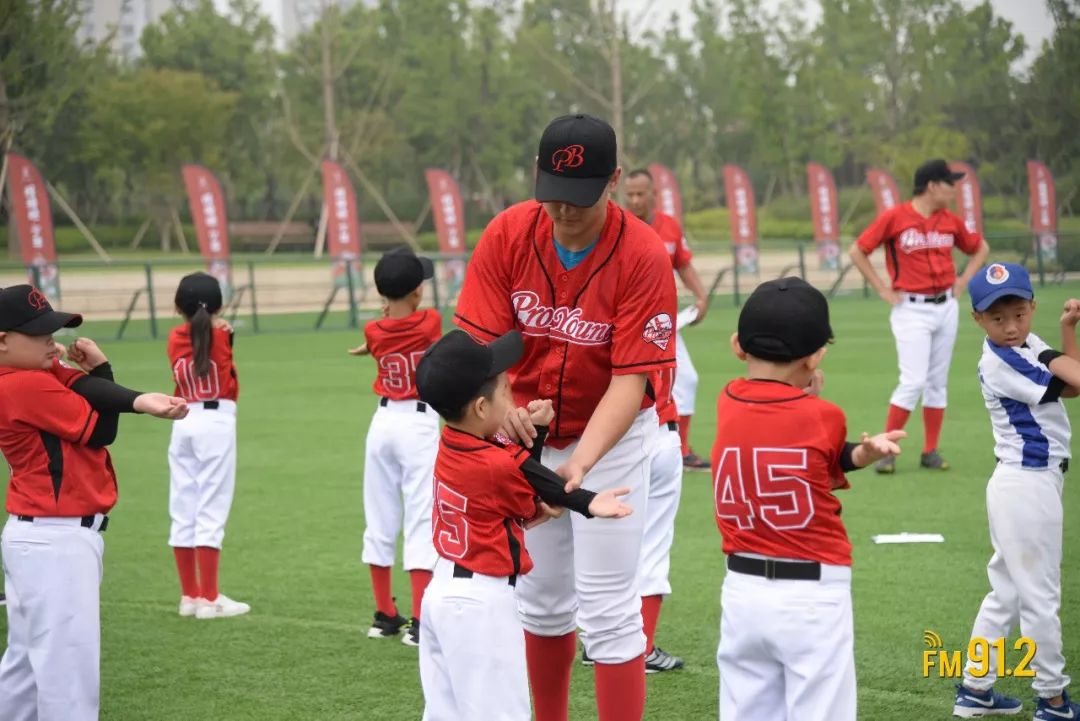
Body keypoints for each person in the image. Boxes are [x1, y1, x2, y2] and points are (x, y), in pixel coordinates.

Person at [454, 114, 677, 721]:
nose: (564, 211)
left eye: (579, 198)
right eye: (552, 194)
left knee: (607, 607)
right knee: (543, 599)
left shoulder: (643, 254)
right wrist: (506, 416)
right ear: (536, 174)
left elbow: (632, 379)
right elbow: (479, 353)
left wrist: (577, 468)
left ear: (614, 180)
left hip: (615, 439)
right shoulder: (507, 234)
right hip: (524, 432)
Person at [414, 329, 633, 721]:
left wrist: (537, 434)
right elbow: (536, 481)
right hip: (481, 604)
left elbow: (522, 480)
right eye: (505, 389)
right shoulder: (493, 461)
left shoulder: (450, 443)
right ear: (481, 408)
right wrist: (589, 502)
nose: (512, 393)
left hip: (442, 594)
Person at [712, 277, 904, 721]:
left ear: (739, 346)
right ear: (816, 355)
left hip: (742, 590)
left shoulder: (727, 400)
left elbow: (795, 448)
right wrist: (856, 447)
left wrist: (860, 453)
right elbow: (813, 454)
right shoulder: (825, 415)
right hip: (813, 592)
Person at [0, 284, 187, 721]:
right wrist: (119, 385)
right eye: (38, 333)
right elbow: (101, 428)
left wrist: (124, 389)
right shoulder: (22, 384)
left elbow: (84, 386)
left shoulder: (35, 372)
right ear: (2, 340)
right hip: (56, 541)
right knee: (68, 675)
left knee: (26, 668)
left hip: (40, 537)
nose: (52, 339)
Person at [951, 262, 1080, 720]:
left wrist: (1064, 331)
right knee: (1040, 596)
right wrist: (1049, 352)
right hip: (1027, 484)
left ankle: (975, 688)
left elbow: (1071, 385)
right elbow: (1074, 379)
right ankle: (1053, 699)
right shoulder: (1001, 358)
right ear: (978, 320)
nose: (1010, 326)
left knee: (1006, 593)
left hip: (1025, 483)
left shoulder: (1028, 343)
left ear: (1032, 309)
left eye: (1019, 314)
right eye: (997, 318)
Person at [849, 158, 989, 473]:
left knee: (937, 382)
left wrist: (964, 279)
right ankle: (886, 451)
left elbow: (980, 247)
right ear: (932, 185)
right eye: (949, 182)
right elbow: (858, 250)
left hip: (945, 306)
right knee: (913, 380)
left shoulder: (950, 221)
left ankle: (930, 451)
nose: (953, 189)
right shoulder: (895, 217)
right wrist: (881, 288)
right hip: (910, 309)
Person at [348, 248, 441, 645]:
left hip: (382, 422)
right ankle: (420, 623)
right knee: (421, 517)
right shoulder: (430, 320)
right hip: (418, 424)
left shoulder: (373, 329)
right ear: (417, 292)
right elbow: (418, 332)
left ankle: (385, 614)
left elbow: (384, 332)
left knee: (380, 514)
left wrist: (374, 343)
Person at [166, 272, 249, 619]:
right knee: (210, 506)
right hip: (216, 421)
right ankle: (210, 598)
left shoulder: (174, 337)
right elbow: (225, 360)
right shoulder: (221, 334)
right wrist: (225, 331)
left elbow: (197, 337)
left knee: (183, 504)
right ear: (218, 305)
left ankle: (190, 596)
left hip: (183, 418)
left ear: (177, 307)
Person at [624, 167, 711, 470]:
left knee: (686, 379)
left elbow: (683, 265)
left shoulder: (670, 227)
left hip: (662, 323)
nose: (634, 199)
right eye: (630, 194)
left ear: (653, 195)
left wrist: (702, 296)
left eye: (640, 193)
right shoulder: (617, 226)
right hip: (627, 323)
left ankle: (682, 450)